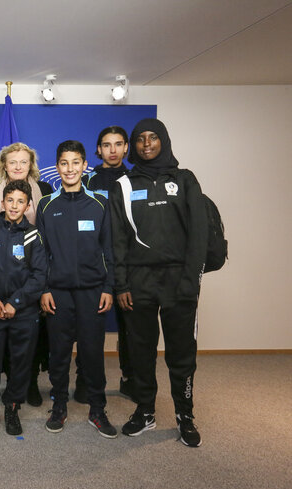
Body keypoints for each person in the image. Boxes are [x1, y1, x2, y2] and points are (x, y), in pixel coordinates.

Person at [110, 118, 207, 447]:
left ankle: (185, 415)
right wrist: (121, 284)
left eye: (153, 138)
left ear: (163, 141)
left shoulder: (185, 180)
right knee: (140, 351)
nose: (146, 144)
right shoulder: (122, 185)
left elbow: (199, 235)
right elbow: (118, 240)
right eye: (140, 139)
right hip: (138, 283)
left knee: (181, 354)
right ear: (133, 146)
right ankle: (145, 410)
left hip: (179, 281)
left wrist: (191, 280)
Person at [37, 140, 117, 439]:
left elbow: (108, 249)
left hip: (92, 293)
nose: (70, 169)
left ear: (85, 166)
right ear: (57, 168)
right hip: (57, 292)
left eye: (76, 163)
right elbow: (41, 253)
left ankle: (98, 409)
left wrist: (108, 287)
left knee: (93, 353)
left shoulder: (99, 203)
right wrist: (44, 289)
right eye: (64, 163)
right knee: (58, 354)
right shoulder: (47, 205)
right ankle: (59, 406)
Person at [0, 179, 47, 435]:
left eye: (20, 201)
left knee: (20, 361)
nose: (14, 206)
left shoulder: (33, 236)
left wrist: (15, 302)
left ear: (28, 206)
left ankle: (13, 408)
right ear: (1, 203)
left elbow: (39, 276)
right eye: (10, 200)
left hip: (22, 312)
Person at [0, 142, 53, 407]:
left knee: (34, 332)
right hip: (4, 271)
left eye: (23, 162)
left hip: (35, 269)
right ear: (4, 165)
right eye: (12, 162)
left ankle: (31, 382)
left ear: (31, 165)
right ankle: (11, 381)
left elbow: (50, 233)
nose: (17, 166)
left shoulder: (46, 190)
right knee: (5, 329)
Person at [74, 126, 134, 403]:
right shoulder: (88, 180)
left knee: (132, 328)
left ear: (126, 147)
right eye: (107, 145)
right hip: (95, 263)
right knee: (89, 329)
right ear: (98, 149)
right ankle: (85, 381)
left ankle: (131, 380)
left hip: (130, 263)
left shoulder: (137, 179)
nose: (113, 150)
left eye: (118, 144)